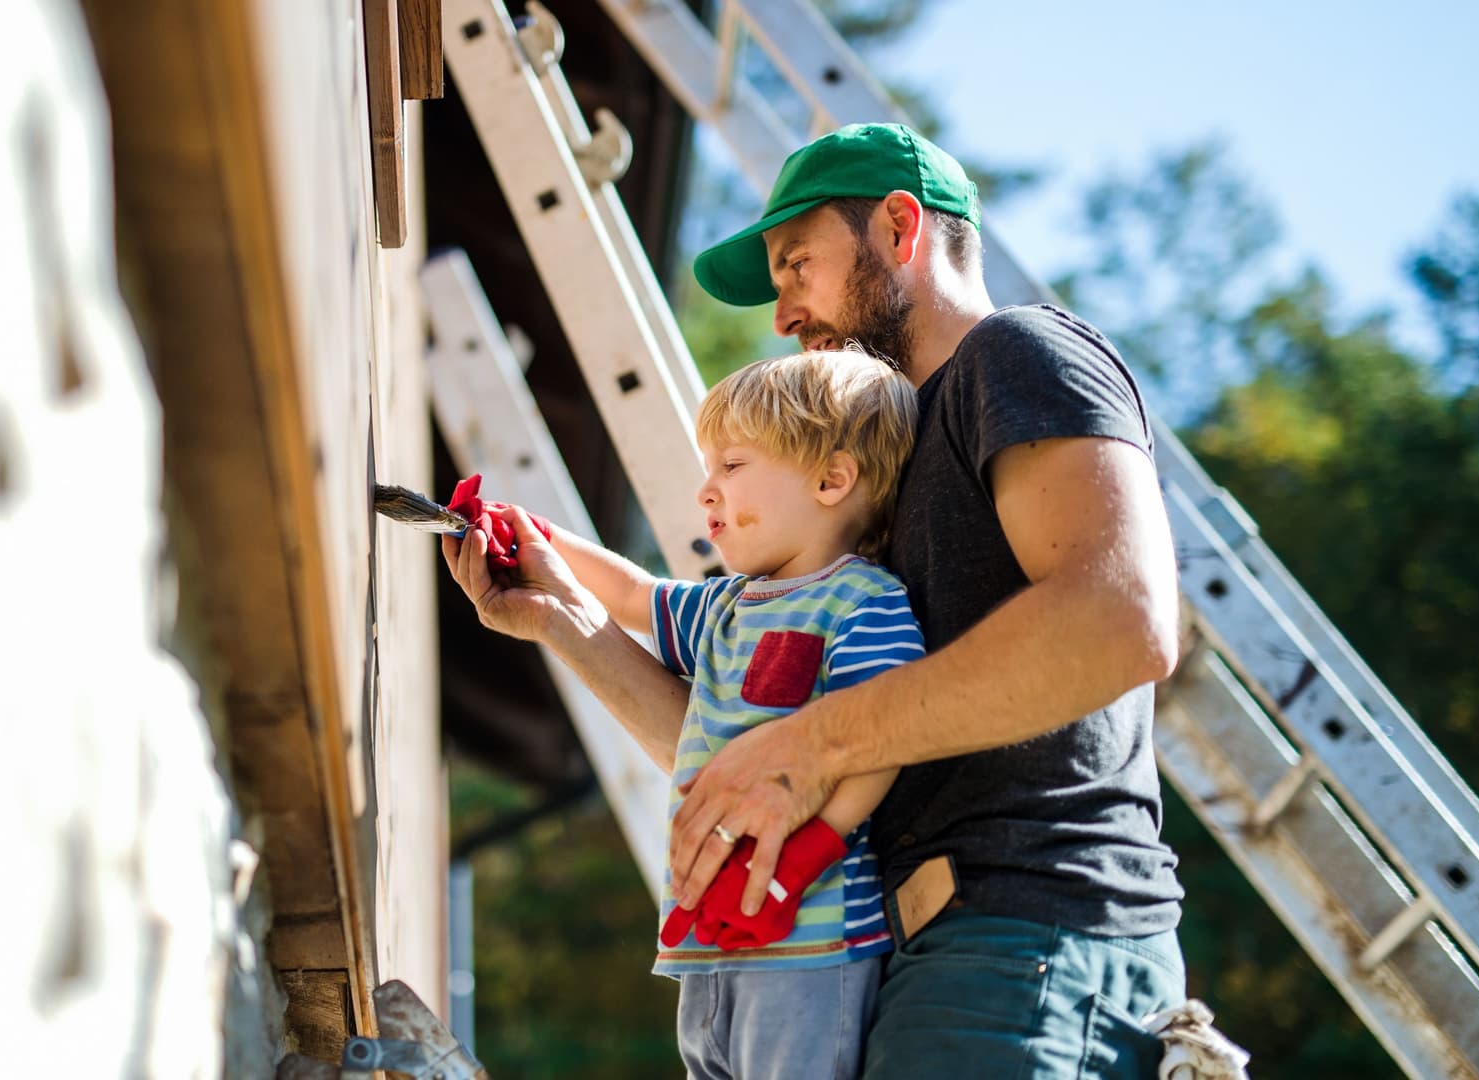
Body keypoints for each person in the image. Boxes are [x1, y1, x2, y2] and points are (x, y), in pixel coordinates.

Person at [444, 121, 1187, 1078]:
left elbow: (1119, 622)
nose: (784, 314)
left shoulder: (1020, 355)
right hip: (911, 962)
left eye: (797, 265)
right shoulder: (875, 483)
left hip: (1029, 941)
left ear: (899, 226)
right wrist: (567, 621)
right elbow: (748, 753)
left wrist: (808, 744)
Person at [447, 347, 923, 1079]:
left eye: (731, 467)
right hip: (704, 941)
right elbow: (635, 596)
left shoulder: (863, 604)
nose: (706, 492)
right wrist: (534, 536)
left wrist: (813, 846)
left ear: (832, 479)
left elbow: (879, 740)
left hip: (811, 941)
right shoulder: (728, 607)